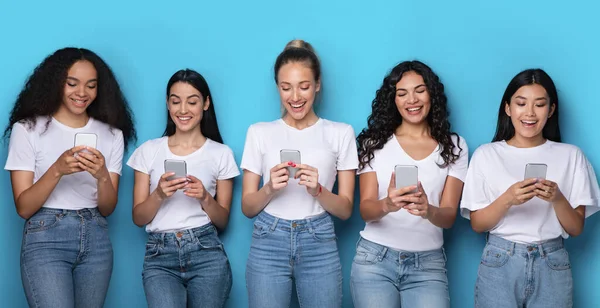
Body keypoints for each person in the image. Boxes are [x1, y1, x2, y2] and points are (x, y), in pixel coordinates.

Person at [4, 47, 136, 308]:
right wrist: (57, 170)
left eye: (91, 85)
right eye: (72, 83)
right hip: (45, 237)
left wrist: (101, 176)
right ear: (56, 84)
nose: (82, 93)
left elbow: (108, 208)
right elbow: (24, 207)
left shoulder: (112, 134)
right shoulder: (28, 129)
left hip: (96, 237)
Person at [460, 68, 600, 308]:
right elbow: (477, 224)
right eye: (521, 103)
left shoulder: (571, 155)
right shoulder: (487, 154)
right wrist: (508, 198)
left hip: (552, 261)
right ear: (508, 108)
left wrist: (557, 198)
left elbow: (576, 228)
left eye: (539, 104)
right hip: (500, 261)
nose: (530, 113)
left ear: (551, 110)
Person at [240, 39, 358, 308]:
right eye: (286, 88)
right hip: (268, 239)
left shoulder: (341, 133)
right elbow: (247, 207)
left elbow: (346, 210)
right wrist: (269, 187)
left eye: (304, 86)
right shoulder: (259, 132)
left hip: (319, 240)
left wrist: (319, 190)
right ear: (277, 88)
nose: (295, 97)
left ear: (317, 84)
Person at [351, 60, 468, 307]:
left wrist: (428, 210)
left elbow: (448, 217)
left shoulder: (455, 146)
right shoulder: (374, 144)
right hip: (374, 260)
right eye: (402, 93)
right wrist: (388, 204)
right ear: (393, 100)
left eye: (420, 90)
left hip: (428, 265)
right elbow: (366, 210)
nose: (411, 100)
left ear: (432, 94)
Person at [127, 69, 238, 308]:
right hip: (159, 255)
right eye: (176, 101)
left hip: (205, 250)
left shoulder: (221, 153)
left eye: (192, 101)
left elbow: (223, 221)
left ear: (206, 103)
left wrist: (205, 197)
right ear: (168, 104)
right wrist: (158, 194)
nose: (183, 110)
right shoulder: (148, 151)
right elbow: (138, 217)